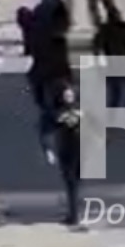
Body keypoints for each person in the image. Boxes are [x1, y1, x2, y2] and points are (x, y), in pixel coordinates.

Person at [45, 82, 83, 227]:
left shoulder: (81, 109)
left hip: (80, 149)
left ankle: (75, 212)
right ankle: (74, 214)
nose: (68, 98)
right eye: (66, 96)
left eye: (70, 95)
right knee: (71, 182)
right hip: (66, 150)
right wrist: (49, 150)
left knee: (75, 182)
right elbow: (47, 130)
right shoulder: (57, 112)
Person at [92, 8, 125, 109]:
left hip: (113, 63)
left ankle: (113, 110)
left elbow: (97, 45)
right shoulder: (123, 26)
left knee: (115, 91)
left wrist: (97, 60)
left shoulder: (105, 29)